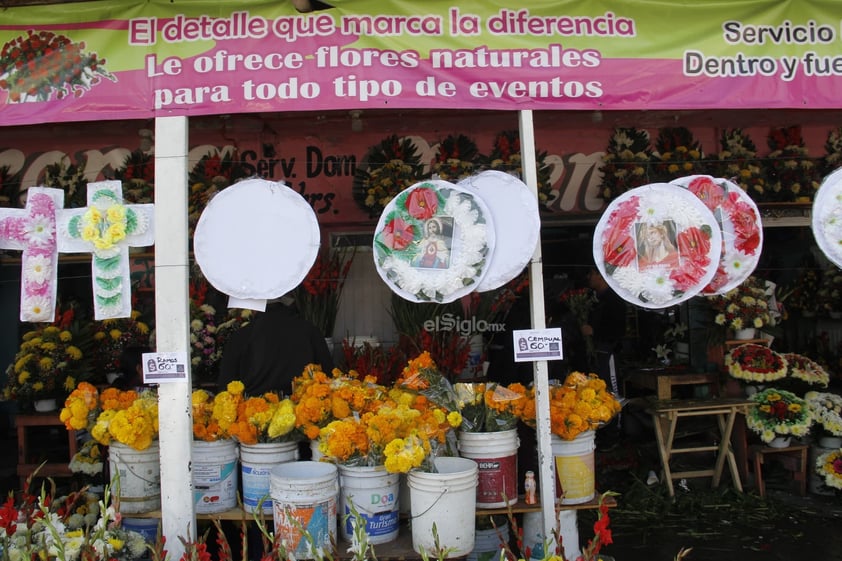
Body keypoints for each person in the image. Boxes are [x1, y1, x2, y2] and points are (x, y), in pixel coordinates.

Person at [217, 294, 335, 397]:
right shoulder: (310, 331)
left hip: (253, 414)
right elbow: (329, 376)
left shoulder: (240, 337)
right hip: (304, 412)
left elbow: (226, 388)